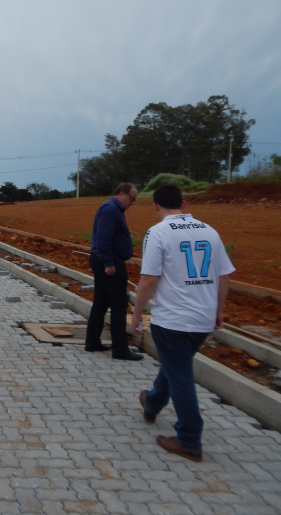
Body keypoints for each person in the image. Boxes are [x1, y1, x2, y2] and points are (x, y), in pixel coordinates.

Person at [132, 184, 234, 462]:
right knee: (175, 366)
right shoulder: (209, 231)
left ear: (155, 206)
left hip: (173, 320)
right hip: (203, 319)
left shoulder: (158, 233)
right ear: (184, 203)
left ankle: (189, 439)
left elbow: (149, 279)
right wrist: (218, 309)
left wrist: (137, 312)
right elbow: (224, 275)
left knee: (181, 377)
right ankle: (152, 403)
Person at [85, 182, 144, 360]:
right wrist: (109, 263)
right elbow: (104, 238)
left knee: (101, 302)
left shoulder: (112, 209)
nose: (132, 203)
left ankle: (93, 342)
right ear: (121, 194)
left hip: (103, 260)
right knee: (119, 304)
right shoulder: (111, 209)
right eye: (131, 199)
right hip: (109, 262)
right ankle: (120, 349)